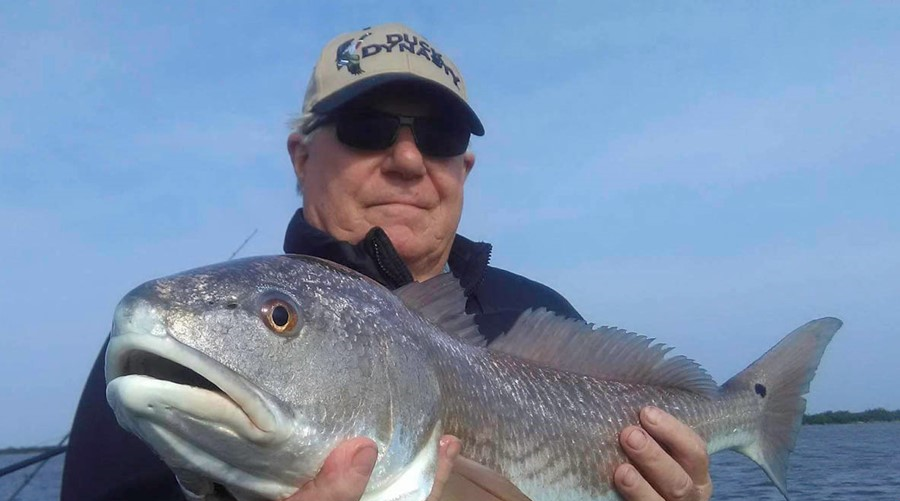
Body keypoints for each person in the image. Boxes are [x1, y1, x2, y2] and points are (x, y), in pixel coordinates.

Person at [62, 22, 712, 501]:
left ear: (464, 168)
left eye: (439, 137)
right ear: (301, 157)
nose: (407, 160)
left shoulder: (545, 313)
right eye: (368, 128)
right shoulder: (167, 368)